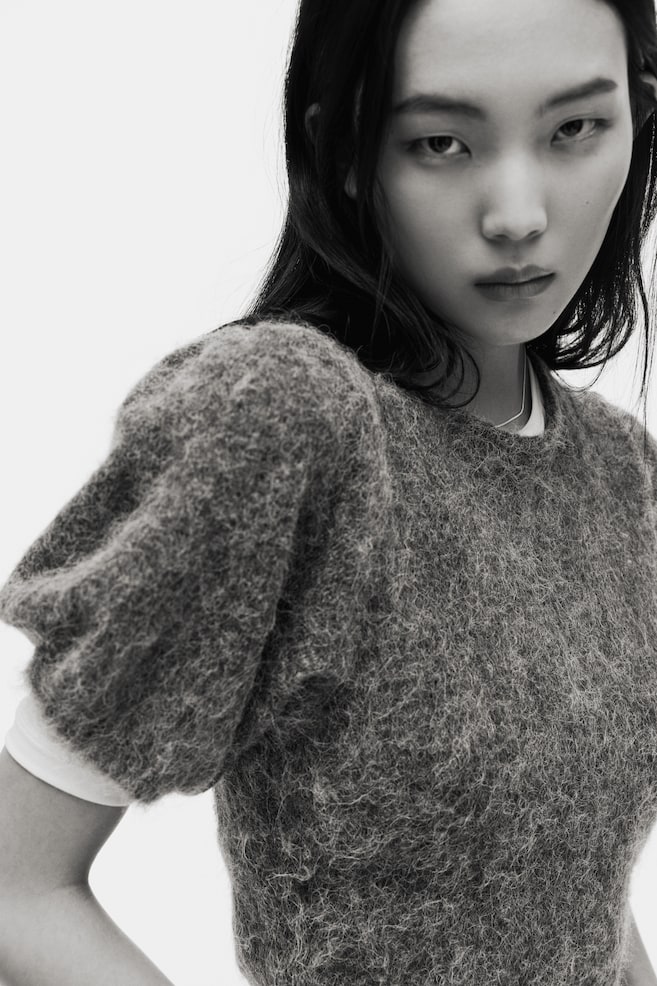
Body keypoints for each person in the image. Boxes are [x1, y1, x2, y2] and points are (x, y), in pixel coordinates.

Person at [1, 0, 657, 983]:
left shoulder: (620, 470)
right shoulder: (284, 419)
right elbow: (16, 884)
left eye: (574, 128)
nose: (518, 214)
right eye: (441, 142)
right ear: (345, 151)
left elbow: (573, 891)